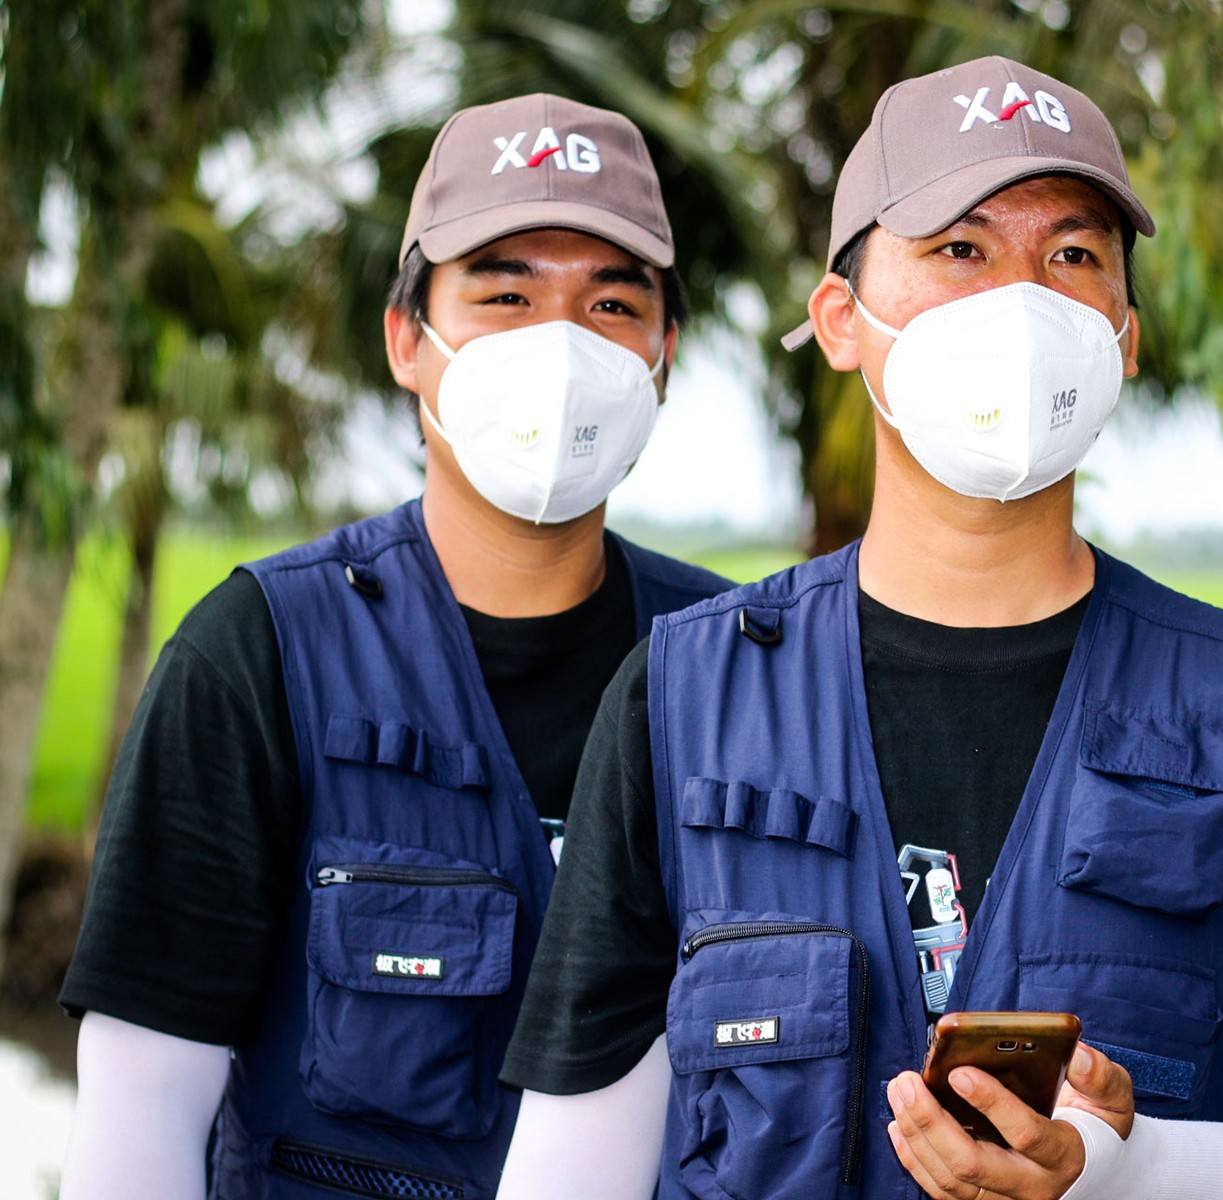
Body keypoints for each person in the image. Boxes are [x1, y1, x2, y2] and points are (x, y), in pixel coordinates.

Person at [495, 57, 1223, 1200]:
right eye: (961, 249)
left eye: (1073, 256)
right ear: (842, 321)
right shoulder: (683, 699)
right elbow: (572, 1163)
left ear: (1125, 337)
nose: (1021, 300)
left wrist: (1129, 1171)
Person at [57, 93, 729, 1200]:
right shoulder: (261, 653)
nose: (557, 345)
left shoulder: (738, 669)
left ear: (661, 354)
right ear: (408, 339)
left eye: (610, 302)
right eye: (505, 294)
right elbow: (140, 1106)